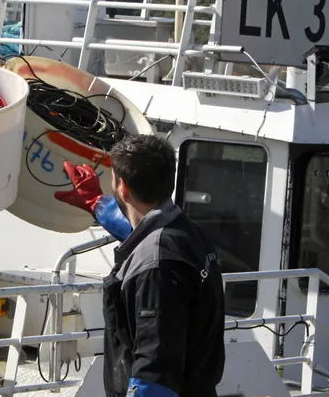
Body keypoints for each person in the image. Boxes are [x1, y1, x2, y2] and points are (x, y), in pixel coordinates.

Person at [54, 134, 225, 397]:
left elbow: (154, 369)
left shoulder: (155, 269)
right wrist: (96, 203)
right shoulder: (190, 234)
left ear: (122, 186)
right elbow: (146, 234)